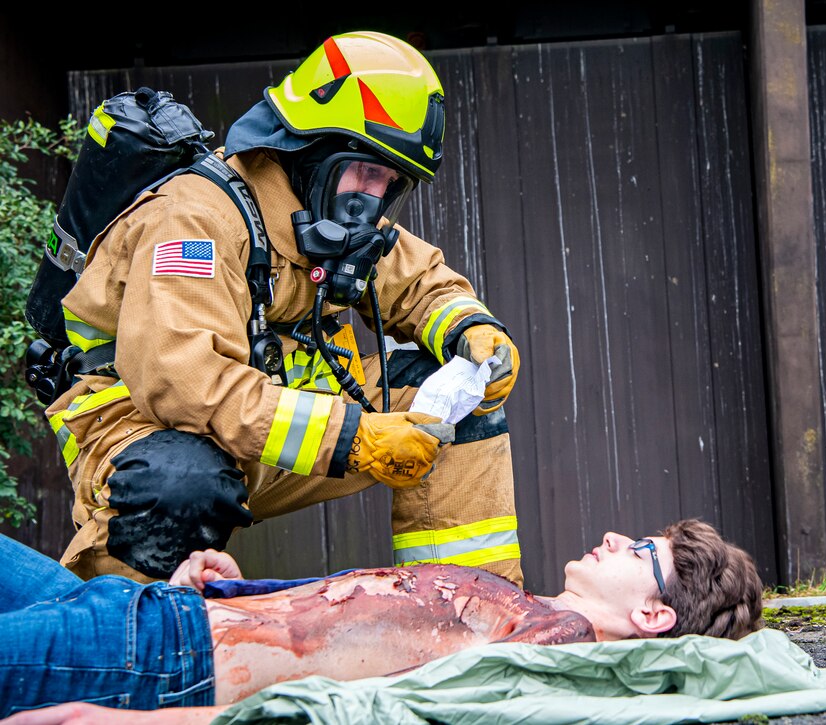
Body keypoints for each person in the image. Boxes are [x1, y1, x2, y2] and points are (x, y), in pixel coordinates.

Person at [43, 31, 524, 586]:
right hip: (148, 439)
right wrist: (354, 438)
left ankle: (466, 616)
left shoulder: (331, 212)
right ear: (311, 148)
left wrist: (473, 328)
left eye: (389, 183)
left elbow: (421, 281)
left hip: (273, 431)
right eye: (366, 171)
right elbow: (185, 384)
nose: (373, 196)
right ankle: (134, 644)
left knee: (459, 405)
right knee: (180, 483)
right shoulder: (193, 220)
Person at [0, 519, 763, 722]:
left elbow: (350, 713)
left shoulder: (548, 651)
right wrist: (231, 592)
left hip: (150, 662)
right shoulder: (524, 607)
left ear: (652, 612)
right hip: (144, 609)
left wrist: (131, 723)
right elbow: (352, 629)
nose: (612, 538)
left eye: (639, 550)